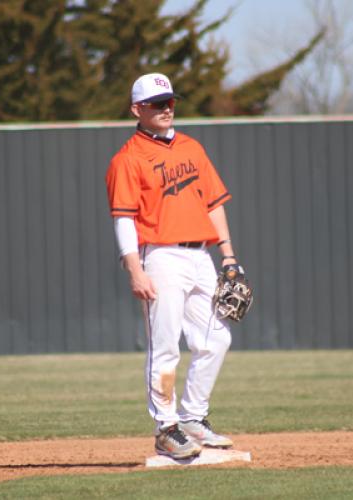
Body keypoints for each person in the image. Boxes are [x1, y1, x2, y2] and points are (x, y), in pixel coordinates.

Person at [105, 73, 244, 460]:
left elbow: (214, 202)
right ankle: (165, 428)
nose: (166, 109)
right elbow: (123, 218)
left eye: (169, 102)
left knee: (216, 339)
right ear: (137, 110)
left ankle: (193, 419)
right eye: (156, 103)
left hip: (201, 256)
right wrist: (134, 268)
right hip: (160, 256)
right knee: (165, 346)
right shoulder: (128, 159)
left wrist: (228, 256)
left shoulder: (190, 148)